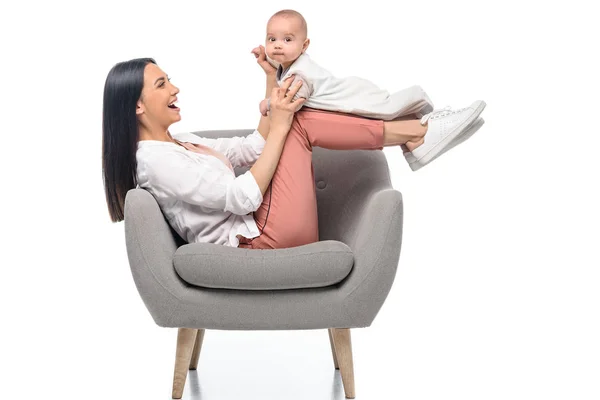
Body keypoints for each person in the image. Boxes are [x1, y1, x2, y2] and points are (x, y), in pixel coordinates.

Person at [102, 57, 484, 250]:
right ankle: (417, 134)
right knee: (295, 122)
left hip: (265, 227)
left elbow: (250, 148)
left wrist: (272, 79)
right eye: (162, 84)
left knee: (293, 114)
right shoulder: (153, 161)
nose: (175, 89)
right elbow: (240, 197)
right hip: (258, 242)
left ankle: (415, 136)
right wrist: (282, 121)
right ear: (137, 105)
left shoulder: (178, 141)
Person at [253, 9, 486, 170]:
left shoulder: (300, 74)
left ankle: (422, 130)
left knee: (382, 106)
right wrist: (271, 70)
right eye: (271, 39)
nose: (277, 46)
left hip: (347, 93)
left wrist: (268, 104)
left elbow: (291, 101)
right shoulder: (288, 69)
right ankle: (418, 137)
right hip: (337, 98)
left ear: (304, 46)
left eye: (287, 40)